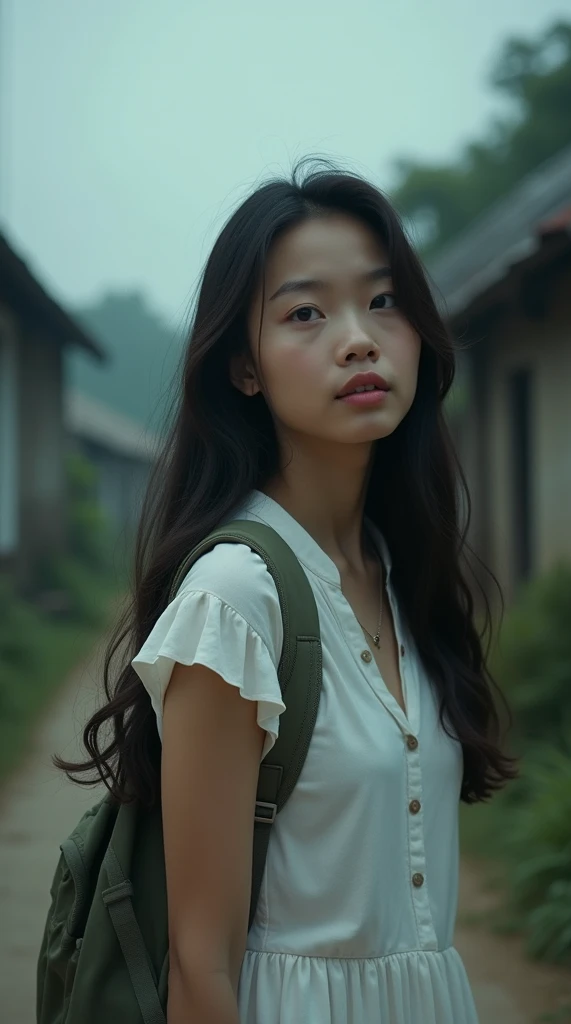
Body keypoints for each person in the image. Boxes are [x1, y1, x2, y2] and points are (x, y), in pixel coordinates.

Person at [57, 160, 517, 1024]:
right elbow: (201, 969)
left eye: (384, 302)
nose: (358, 338)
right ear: (244, 367)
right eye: (306, 313)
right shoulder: (236, 599)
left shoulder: (396, 565)